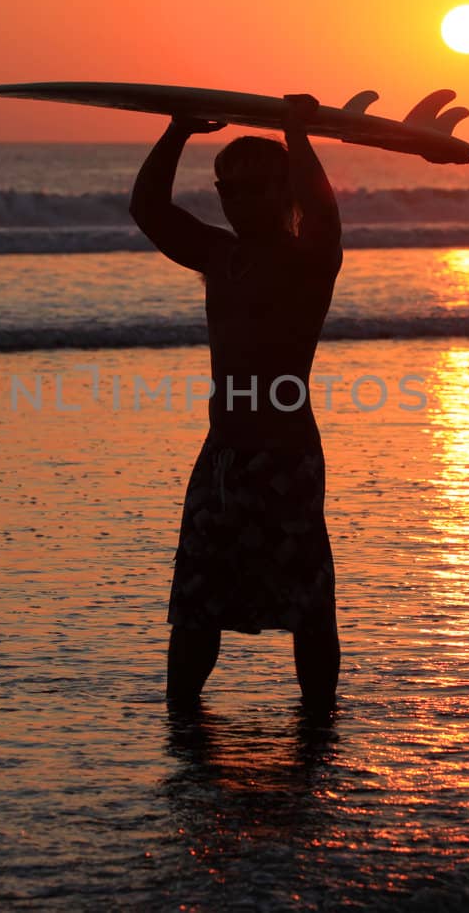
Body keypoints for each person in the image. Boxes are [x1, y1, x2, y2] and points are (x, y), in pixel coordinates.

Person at [128, 94, 343, 712]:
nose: (238, 200)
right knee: (197, 600)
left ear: (283, 192)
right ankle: (182, 725)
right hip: (222, 456)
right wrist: (176, 131)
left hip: (285, 456)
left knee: (306, 600)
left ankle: (319, 728)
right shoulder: (221, 256)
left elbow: (326, 217)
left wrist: (297, 136)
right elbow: (149, 209)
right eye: (228, 189)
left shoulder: (310, 260)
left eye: (254, 188)